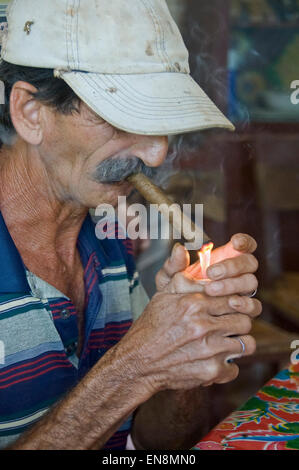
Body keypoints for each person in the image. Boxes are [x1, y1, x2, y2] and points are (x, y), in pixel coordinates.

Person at [0, 0, 261, 450]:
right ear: (29, 112)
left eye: (161, 121)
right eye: (122, 116)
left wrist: (184, 352)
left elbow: (154, 446)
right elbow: (131, 371)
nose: (157, 154)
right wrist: (134, 366)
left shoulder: (109, 238)